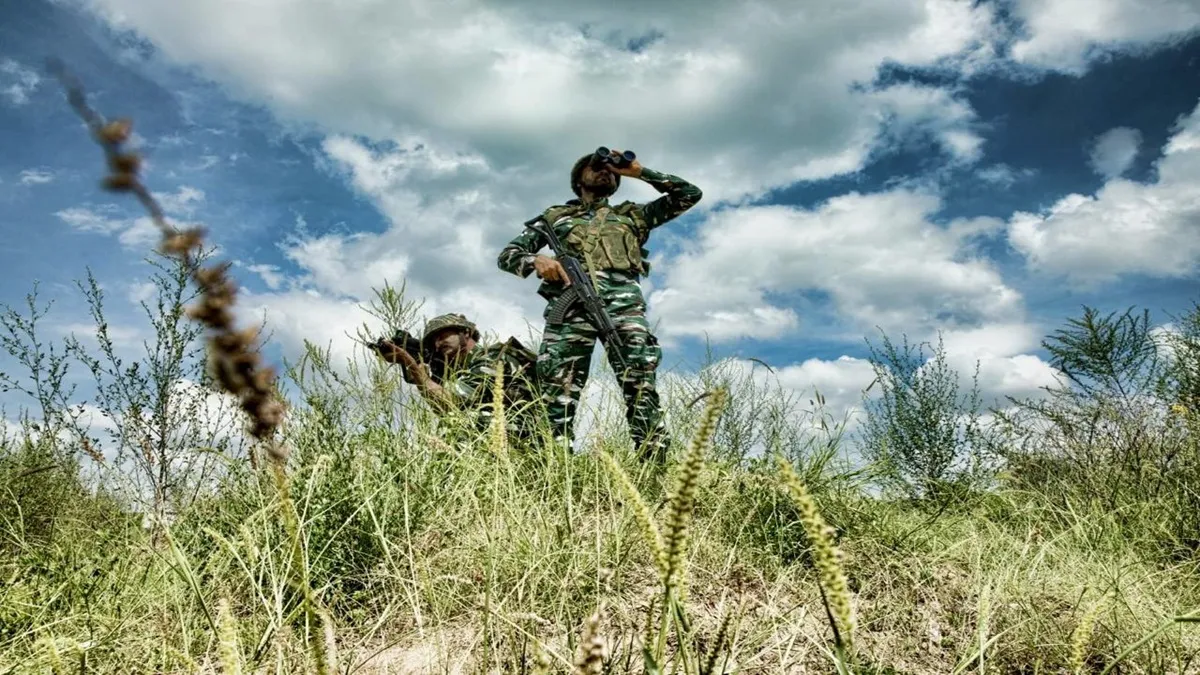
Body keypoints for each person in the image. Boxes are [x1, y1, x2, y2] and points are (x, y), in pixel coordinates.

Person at [496, 148, 702, 462]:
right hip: (570, 309)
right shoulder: (554, 217)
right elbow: (507, 255)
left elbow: (689, 194)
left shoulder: (633, 215)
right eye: (596, 166)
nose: (605, 171)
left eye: (611, 170)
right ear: (579, 178)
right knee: (557, 387)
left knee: (640, 383)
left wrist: (640, 172)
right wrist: (535, 259)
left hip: (624, 309)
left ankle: (654, 466)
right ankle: (554, 468)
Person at [374, 313, 542, 440]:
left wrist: (411, 364)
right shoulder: (461, 371)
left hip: (531, 429)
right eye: (434, 343)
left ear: (466, 333)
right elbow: (441, 409)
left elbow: (452, 403)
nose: (438, 344)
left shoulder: (493, 357)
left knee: (466, 423)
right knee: (453, 423)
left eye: (442, 336)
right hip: (510, 432)